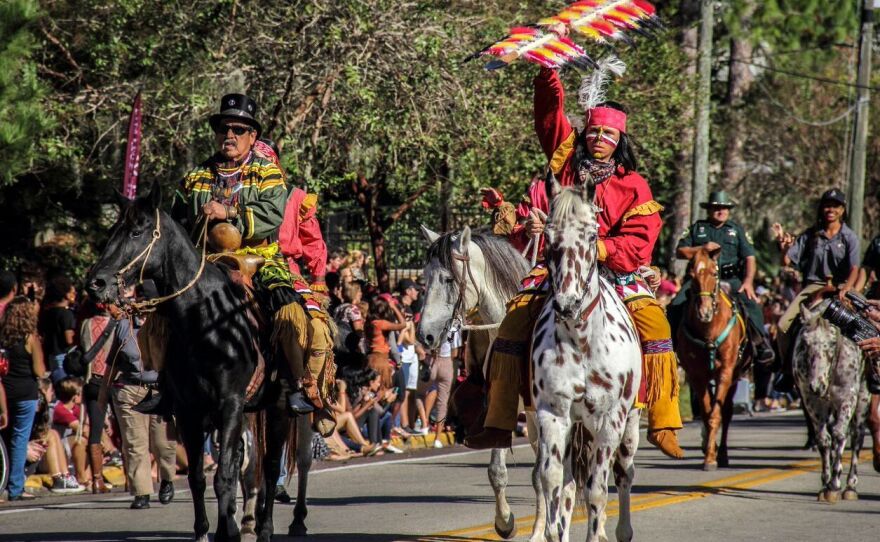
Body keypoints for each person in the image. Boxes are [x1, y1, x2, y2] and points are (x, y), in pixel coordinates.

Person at [465, 26, 684, 458]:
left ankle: (664, 420)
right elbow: (549, 118)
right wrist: (548, 67)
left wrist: (600, 249)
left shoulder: (633, 184)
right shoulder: (566, 164)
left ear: (619, 142)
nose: (598, 140)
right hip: (559, 265)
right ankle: (498, 421)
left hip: (614, 270)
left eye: (608, 136)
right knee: (511, 323)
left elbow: (639, 242)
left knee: (657, 325)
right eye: (594, 133)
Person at [167, 94, 332, 422]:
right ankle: (163, 385)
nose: (229, 135)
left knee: (289, 312)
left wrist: (228, 211)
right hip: (208, 260)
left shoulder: (267, 172)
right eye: (223, 128)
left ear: (252, 136)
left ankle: (296, 384)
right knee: (163, 313)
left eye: (238, 129)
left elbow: (272, 213)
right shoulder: (196, 176)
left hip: (260, 258)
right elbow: (175, 219)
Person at [669, 190, 775, 364]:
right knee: (676, 304)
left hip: (730, 279)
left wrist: (748, 282)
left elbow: (750, 257)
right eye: (717, 208)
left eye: (725, 208)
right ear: (709, 209)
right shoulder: (697, 228)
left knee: (752, 305)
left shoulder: (736, 230)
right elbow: (680, 251)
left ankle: (760, 344)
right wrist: (702, 248)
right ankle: (670, 344)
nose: (721, 211)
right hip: (701, 280)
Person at [772, 188, 860, 376]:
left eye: (835, 206)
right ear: (822, 209)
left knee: (866, 320)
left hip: (841, 286)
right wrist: (784, 247)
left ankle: (871, 371)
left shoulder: (849, 237)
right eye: (827, 205)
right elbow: (786, 261)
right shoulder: (810, 235)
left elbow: (855, 269)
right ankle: (787, 370)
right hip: (813, 286)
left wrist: (847, 288)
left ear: (842, 210)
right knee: (782, 325)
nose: (830, 210)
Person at [111, 314, 177, 509]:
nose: (143, 310)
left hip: (159, 389)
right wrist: (103, 391)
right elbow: (112, 359)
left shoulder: (167, 324)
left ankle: (167, 478)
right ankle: (142, 492)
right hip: (129, 389)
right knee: (135, 443)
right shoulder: (124, 325)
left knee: (163, 444)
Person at [0, 296, 47, 500]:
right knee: (20, 440)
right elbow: (39, 370)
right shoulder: (31, 338)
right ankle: (16, 486)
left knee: (5, 439)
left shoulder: (2, 337)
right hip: (26, 392)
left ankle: (4, 479)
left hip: (4, 391)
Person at [37, 275, 77, 383]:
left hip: (50, 355)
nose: (75, 294)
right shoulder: (66, 314)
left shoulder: (48, 312)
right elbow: (68, 339)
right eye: (72, 292)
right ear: (66, 295)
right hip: (63, 356)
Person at [424, 331, 460, 449]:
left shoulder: (436, 326)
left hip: (433, 360)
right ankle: (437, 438)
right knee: (442, 402)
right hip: (446, 362)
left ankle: (424, 422)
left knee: (427, 390)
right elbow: (455, 353)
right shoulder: (453, 330)